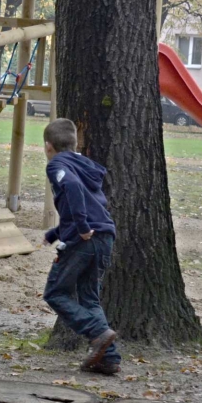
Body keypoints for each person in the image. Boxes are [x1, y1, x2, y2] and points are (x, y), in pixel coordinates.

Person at [42, 118, 120, 375]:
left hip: (83, 239)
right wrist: (55, 233)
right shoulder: (83, 164)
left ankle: (98, 334)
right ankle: (108, 358)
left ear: (48, 146)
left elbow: (73, 189)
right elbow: (88, 200)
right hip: (105, 236)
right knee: (89, 298)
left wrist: (82, 227)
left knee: (55, 293)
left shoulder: (57, 165)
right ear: (75, 143)